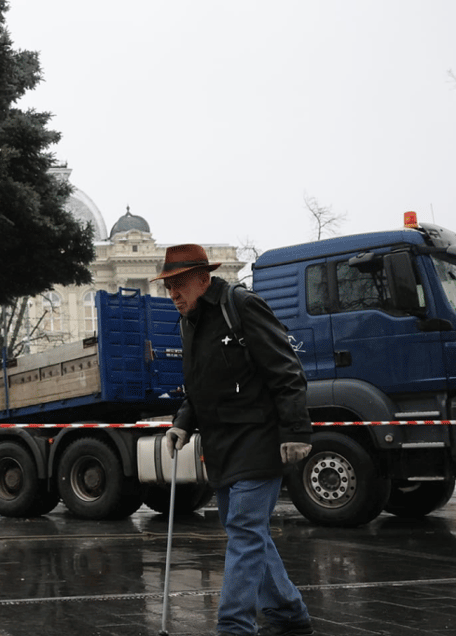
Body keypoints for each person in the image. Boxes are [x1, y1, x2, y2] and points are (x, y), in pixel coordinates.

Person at [157, 244, 315, 636]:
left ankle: (234, 627)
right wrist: (182, 423)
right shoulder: (188, 322)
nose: (172, 294)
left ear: (202, 278)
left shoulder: (240, 305)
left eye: (178, 284)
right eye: (168, 287)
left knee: (244, 530)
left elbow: (286, 369)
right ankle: (288, 615)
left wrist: (295, 431)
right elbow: (198, 387)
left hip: (258, 438)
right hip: (222, 445)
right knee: (247, 531)